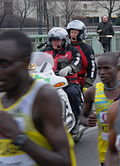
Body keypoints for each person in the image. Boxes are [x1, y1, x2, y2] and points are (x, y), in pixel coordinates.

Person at [0, 30, 77, 165]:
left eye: (4, 64)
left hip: (69, 80)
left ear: (25, 63)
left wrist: (18, 137)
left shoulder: (43, 98)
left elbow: (65, 162)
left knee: (72, 92)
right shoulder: (2, 100)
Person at [80, 52, 120, 166]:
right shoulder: (92, 92)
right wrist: (87, 121)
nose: (102, 73)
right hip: (105, 151)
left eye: (107, 68)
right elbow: (82, 117)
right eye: (99, 69)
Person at [43, 27, 83, 134]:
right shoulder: (45, 51)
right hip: (49, 82)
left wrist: (69, 68)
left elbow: (77, 62)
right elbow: (35, 62)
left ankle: (76, 120)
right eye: (53, 40)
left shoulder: (72, 50)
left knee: (72, 93)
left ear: (64, 40)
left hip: (68, 82)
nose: (55, 42)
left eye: (58, 40)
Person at [66, 20, 97, 89]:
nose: (73, 35)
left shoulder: (86, 48)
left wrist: (88, 83)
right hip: (64, 80)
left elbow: (92, 67)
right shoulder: (65, 47)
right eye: (71, 32)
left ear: (81, 34)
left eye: (75, 32)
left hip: (80, 82)